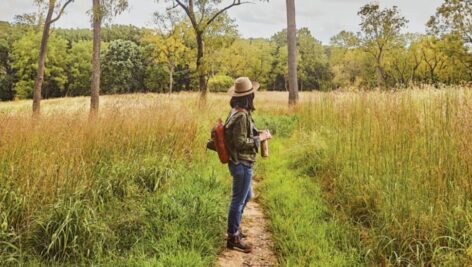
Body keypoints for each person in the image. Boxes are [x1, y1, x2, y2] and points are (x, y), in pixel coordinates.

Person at [224, 77, 272, 253]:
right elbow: (240, 142)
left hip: (239, 162)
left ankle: (235, 228)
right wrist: (260, 138)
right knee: (238, 200)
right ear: (248, 96)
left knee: (247, 196)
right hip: (242, 163)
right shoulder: (242, 115)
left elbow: (241, 136)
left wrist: (259, 133)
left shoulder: (236, 111)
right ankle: (233, 236)